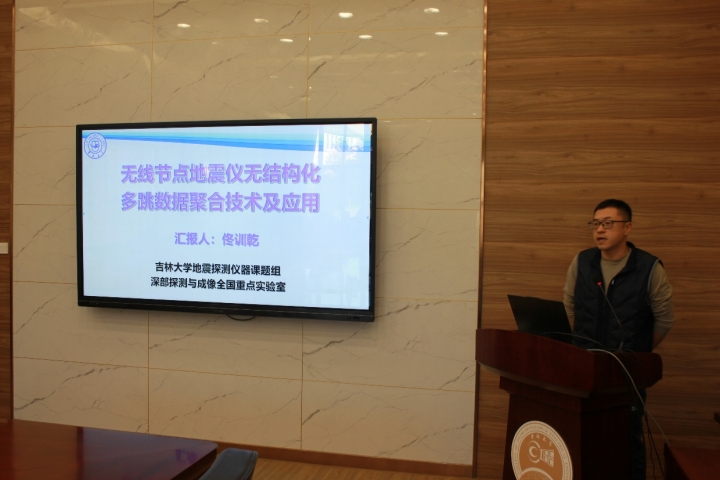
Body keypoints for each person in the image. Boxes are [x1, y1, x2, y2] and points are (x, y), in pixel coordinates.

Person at [563, 198, 674, 480]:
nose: (600, 229)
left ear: (627, 228)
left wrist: (639, 350)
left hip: (626, 373)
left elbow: (664, 319)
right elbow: (569, 306)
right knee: (582, 438)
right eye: (595, 224)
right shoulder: (582, 261)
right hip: (583, 368)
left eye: (608, 223)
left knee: (626, 442)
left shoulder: (649, 267)